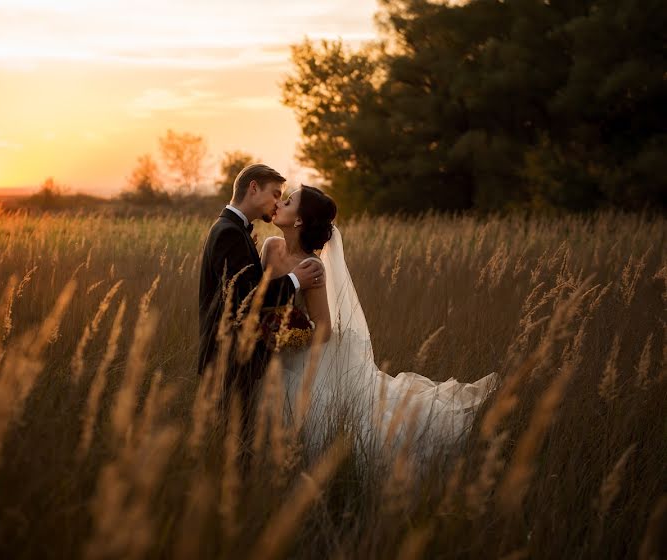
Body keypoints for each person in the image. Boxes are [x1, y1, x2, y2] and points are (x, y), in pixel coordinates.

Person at [262, 185, 499, 458]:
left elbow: (324, 328)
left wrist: (290, 337)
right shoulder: (270, 248)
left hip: (299, 355)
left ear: (300, 220)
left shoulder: (312, 267)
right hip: (270, 350)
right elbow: (257, 296)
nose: (280, 203)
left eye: (289, 201)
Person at [197, 164, 325, 453]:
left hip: (238, 358)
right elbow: (250, 295)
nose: (278, 203)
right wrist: (295, 280)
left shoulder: (236, 232)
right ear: (253, 188)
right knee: (234, 440)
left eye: (284, 199)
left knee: (238, 437)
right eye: (276, 194)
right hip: (227, 356)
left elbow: (242, 286)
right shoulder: (230, 232)